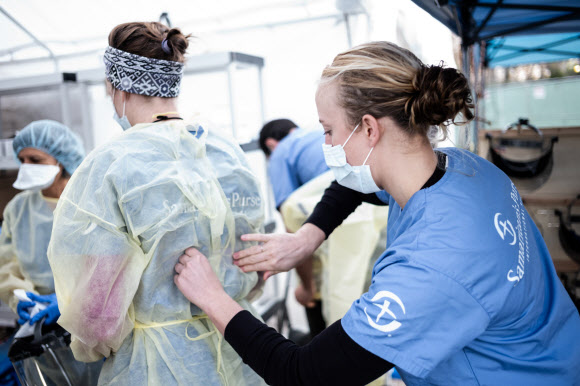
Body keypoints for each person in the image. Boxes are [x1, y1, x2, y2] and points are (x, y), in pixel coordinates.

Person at [174, 41, 580, 385]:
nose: (327, 144)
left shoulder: (433, 265)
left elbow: (305, 374)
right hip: (557, 349)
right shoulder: (463, 169)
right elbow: (355, 186)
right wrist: (306, 238)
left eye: (329, 130)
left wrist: (213, 297)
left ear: (370, 128)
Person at [47, 22, 266, 385]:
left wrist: (90, 346)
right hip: (242, 351)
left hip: (156, 367)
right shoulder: (225, 151)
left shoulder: (109, 166)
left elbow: (97, 318)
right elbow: (254, 259)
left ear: (116, 87)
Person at [0, 120, 101, 384]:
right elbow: (7, 266)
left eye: (35, 159)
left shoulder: (91, 202)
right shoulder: (18, 208)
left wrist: (71, 301)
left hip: (92, 324)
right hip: (40, 328)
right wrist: (19, 297)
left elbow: (108, 265)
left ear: (62, 159)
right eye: (22, 159)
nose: (27, 167)